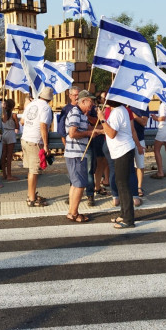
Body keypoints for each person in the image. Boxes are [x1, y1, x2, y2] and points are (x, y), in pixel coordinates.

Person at [64, 90, 98, 222]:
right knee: (79, 185)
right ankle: (74, 213)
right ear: (83, 101)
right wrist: (89, 134)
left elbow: (90, 128)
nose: (93, 104)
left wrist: (99, 130)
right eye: (91, 101)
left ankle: (72, 211)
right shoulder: (75, 113)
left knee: (75, 184)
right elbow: (72, 133)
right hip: (76, 154)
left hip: (77, 153)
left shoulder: (83, 114)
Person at [101, 99, 137, 229]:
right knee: (120, 182)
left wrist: (102, 119)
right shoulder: (121, 110)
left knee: (123, 184)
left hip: (123, 151)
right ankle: (124, 213)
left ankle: (128, 219)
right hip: (122, 151)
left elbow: (111, 133)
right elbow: (112, 129)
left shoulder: (116, 112)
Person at [20, 87, 53, 207]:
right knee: (34, 171)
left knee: (31, 170)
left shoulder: (31, 104)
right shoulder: (46, 108)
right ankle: (31, 199)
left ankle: (31, 194)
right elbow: (43, 125)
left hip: (25, 138)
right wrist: (45, 145)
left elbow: (22, 122)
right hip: (35, 141)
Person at [151, 100, 166, 179]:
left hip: (164, 129)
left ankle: (160, 172)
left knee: (156, 150)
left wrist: (155, 118)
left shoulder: (163, 105)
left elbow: (162, 118)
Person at [129, 104, 149, 196]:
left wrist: (132, 114)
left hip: (139, 139)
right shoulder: (124, 105)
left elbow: (144, 122)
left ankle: (139, 187)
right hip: (127, 140)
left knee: (140, 164)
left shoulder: (143, 106)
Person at [0, 98, 19, 181]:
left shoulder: (2, 114)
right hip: (10, 134)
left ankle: (3, 174)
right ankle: (9, 175)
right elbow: (17, 126)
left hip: (2, 133)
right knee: (9, 155)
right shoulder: (14, 115)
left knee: (3, 155)